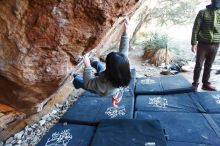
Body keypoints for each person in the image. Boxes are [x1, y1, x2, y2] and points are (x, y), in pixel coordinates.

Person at [73, 18, 131, 97]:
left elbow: (88, 83)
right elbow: (124, 50)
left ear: (110, 70)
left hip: (101, 89)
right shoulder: (123, 66)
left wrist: (87, 66)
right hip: (107, 77)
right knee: (98, 65)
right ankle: (92, 61)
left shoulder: (104, 86)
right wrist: (125, 31)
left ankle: (75, 81)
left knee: (78, 80)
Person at [191, 0, 220, 91]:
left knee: (209, 65)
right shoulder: (203, 12)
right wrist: (193, 43)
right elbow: (196, 28)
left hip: (216, 44)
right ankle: (195, 84)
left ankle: (205, 84)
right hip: (203, 43)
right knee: (199, 64)